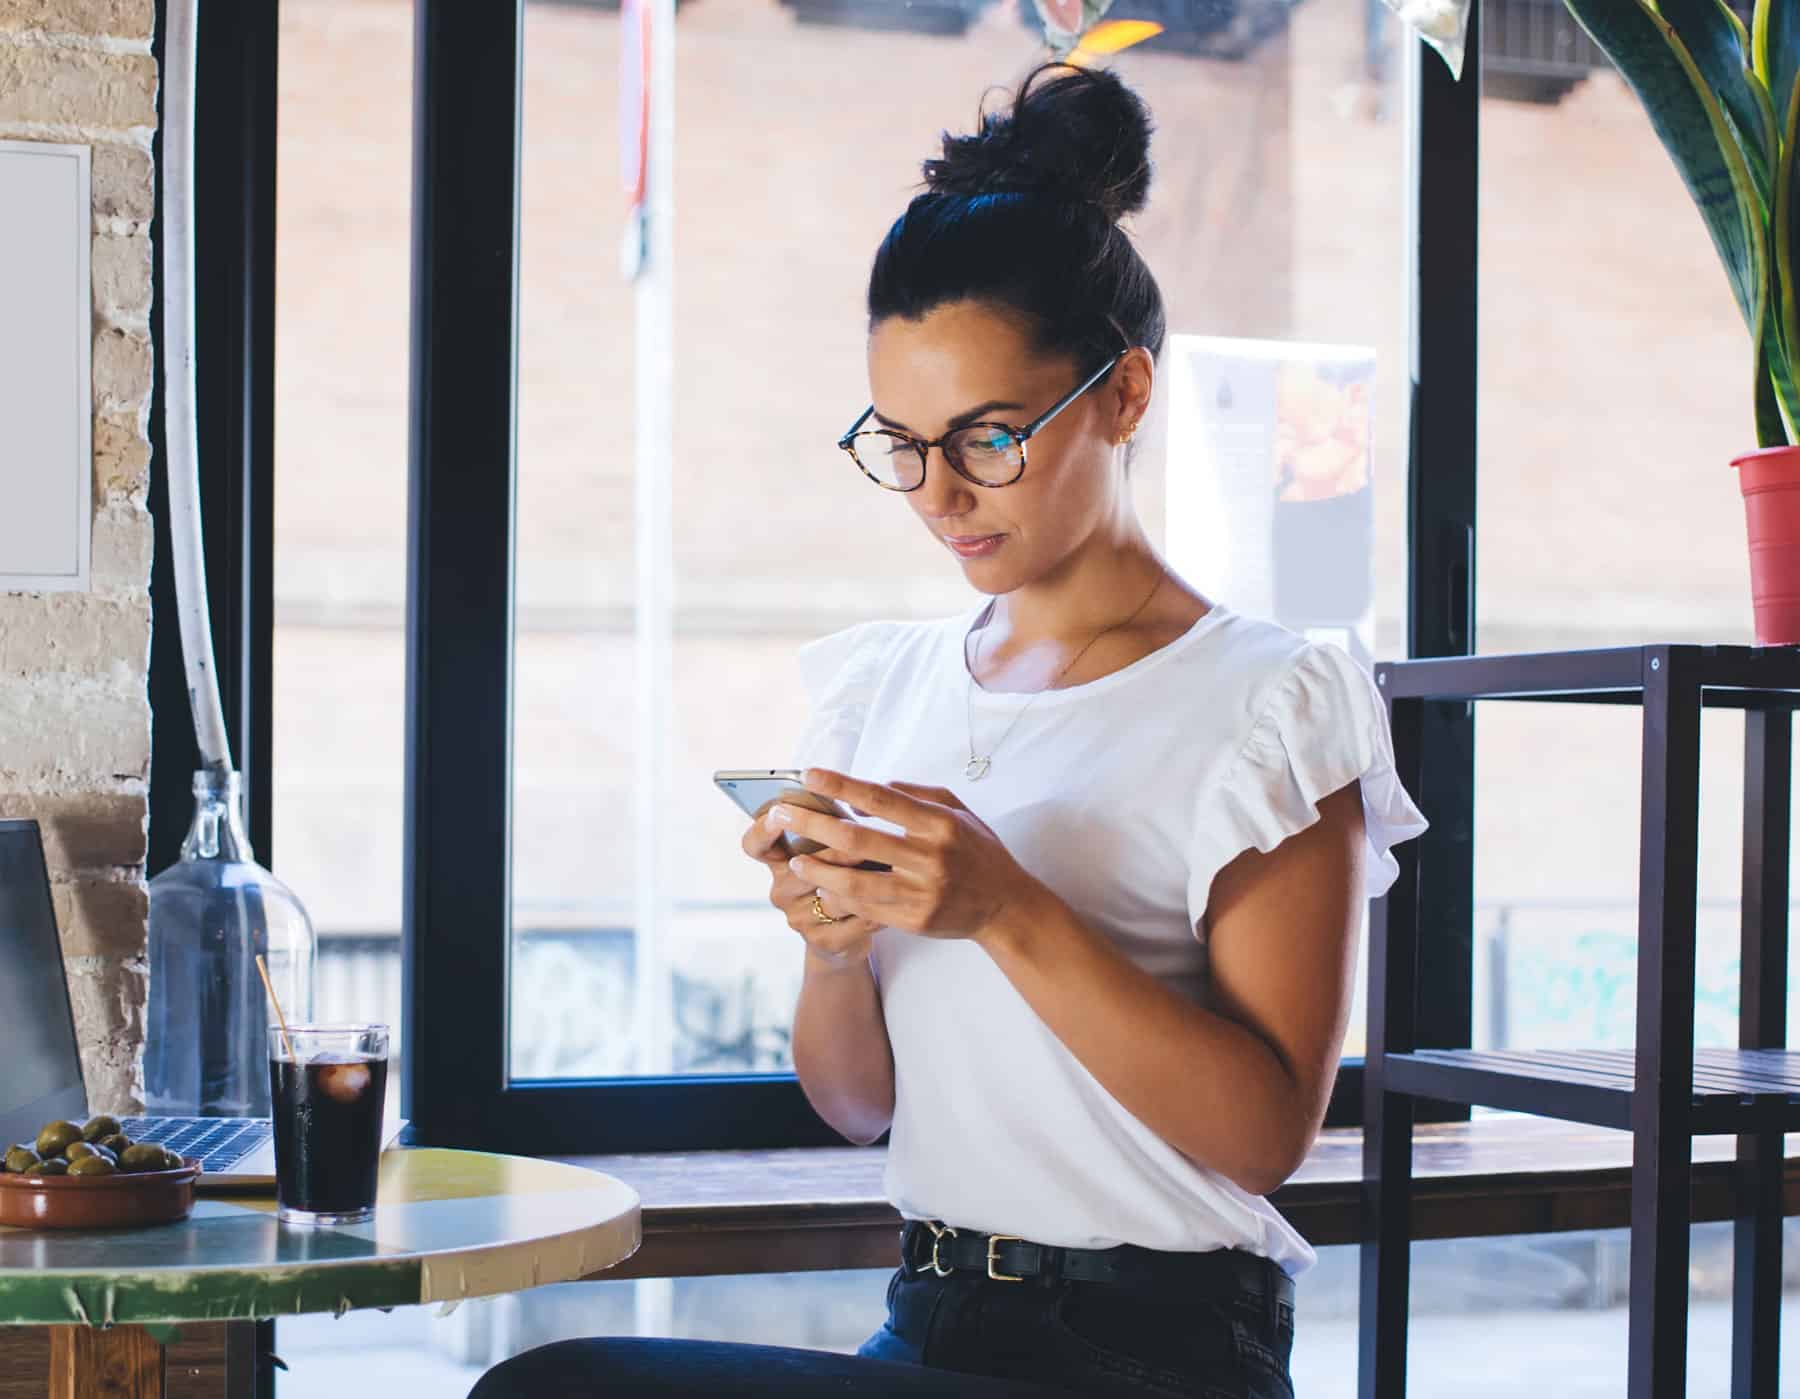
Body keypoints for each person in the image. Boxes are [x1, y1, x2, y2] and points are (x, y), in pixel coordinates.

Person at [470, 61, 1428, 1399]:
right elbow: (859, 1105)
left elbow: (1267, 1135)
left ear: (1126, 395)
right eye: (901, 443)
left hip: (1152, 1352)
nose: (937, 494)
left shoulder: (1267, 701)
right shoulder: (886, 686)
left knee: (560, 1392)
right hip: (924, 1323)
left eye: (987, 438)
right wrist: (835, 952)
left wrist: (1007, 911)